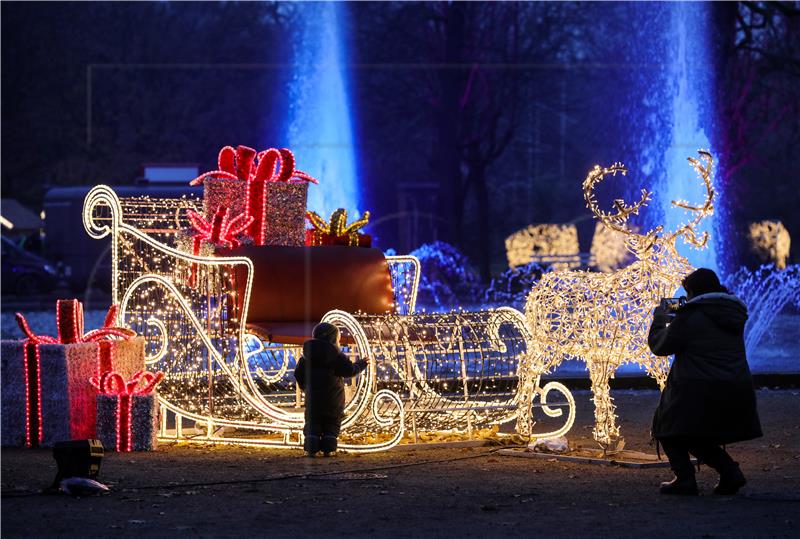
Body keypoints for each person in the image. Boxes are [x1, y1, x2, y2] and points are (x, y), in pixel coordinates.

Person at [648, 268, 762, 495]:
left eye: (687, 293)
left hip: (698, 386)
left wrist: (660, 319)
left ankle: (685, 478)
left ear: (693, 291)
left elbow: (660, 346)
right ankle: (730, 473)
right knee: (693, 432)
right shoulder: (732, 312)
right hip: (735, 385)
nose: (686, 298)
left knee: (666, 427)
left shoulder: (690, 314)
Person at [294, 322, 368, 457]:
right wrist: (361, 364)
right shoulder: (336, 354)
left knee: (313, 422)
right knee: (331, 424)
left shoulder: (306, 355)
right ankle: (328, 450)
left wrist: (306, 388)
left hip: (313, 398)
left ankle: (311, 449)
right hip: (333, 397)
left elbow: (298, 373)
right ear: (334, 338)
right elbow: (349, 370)